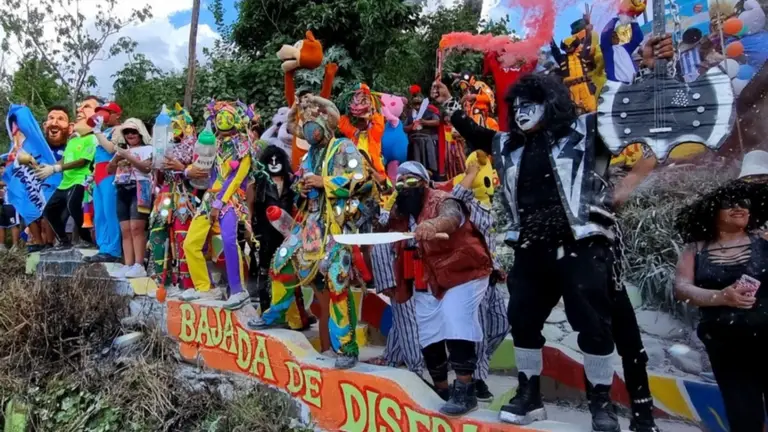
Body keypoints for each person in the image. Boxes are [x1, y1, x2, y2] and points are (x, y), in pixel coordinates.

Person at [430, 34, 674, 432]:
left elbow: (640, 113)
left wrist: (652, 67)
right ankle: (529, 395)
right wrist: (446, 104)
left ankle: (600, 404)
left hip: (582, 245)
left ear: (551, 103)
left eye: (530, 104)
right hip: (531, 247)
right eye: (517, 106)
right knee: (522, 319)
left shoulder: (589, 130)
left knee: (593, 325)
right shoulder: (508, 145)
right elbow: (473, 132)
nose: (521, 112)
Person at [248, 94, 374, 369]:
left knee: (337, 283)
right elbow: (297, 183)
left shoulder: (343, 147)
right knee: (281, 262)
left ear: (325, 125)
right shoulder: (309, 155)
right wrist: (301, 187)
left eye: (312, 125)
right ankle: (276, 315)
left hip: (336, 227)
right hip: (310, 224)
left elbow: (362, 180)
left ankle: (347, 348)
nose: (307, 131)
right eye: (304, 127)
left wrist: (324, 181)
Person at [384, 161, 493, 416]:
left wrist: (433, 226)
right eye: (400, 183)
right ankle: (442, 390)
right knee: (428, 333)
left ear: (425, 183)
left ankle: (466, 390)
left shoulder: (442, 200)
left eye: (412, 181)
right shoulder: (401, 211)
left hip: (462, 272)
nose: (405, 187)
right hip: (427, 278)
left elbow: (451, 217)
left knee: (456, 319)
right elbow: (387, 230)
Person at [674, 180, 768, 432]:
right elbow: (681, 288)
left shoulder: (764, 239)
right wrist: (720, 297)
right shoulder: (695, 249)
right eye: (729, 203)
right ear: (712, 212)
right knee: (743, 415)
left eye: (744, 203)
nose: (739, 208)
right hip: (726, 344)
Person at [182, 100, 256, 309]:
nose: (222, 123)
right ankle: (204, 287)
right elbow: (201, 167)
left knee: (229, 240)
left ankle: (238, 290)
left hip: (231, 198)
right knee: (190, 243)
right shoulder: (214, 143)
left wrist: (220, 202)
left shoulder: (244, 145)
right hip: (210, 197)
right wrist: (187, 171)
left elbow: (236, 178)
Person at [148, 104, 200, 296]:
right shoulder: (163, 146)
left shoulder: (197, 147)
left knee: (182, 236)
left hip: (185, 195)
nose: (174, 130)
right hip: (164, 195)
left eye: (177, 125)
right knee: (157, 234)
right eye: (171, 126)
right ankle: (163, 281)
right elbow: (157, 174)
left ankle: (187, 283)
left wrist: (182, 167)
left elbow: (202, 175)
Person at [36, 99, 99, 251]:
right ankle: (63, 241)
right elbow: (65, 159)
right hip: (65, 182)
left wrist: (56, 169)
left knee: (73, 206)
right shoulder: (73, 140)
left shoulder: (92, 138)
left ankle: (87, 240)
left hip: (80, 180)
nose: (78, 116)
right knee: (48, 211)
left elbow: (83, 161)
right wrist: (51, 167)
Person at [107, 119, 153, 278]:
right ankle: (128, 264)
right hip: (121, 188)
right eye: (126, 132)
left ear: (140, 133)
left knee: (136, 228)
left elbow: (146, 168)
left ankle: (139, 264)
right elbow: (109, 170)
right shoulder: (120, 151)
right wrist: (116, 158)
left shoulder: (148, 149)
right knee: (125, 229)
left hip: (140, 188)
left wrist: (128, 156)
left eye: (133, 131)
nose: (130, 135)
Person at [27, 106, 71, 252]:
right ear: (44, 125)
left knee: (50, 214)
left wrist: (53, 168)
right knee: (29, 212)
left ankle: (50, 243)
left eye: (60, 119)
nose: (54, 122)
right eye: (51, 118)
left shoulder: (71, 145)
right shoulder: (36, 146)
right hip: (38, 187)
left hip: (63, 188)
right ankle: (39, 242)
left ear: (70, 127)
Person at [85, 101, 123, 263]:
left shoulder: (119, 129)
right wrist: (92, 175)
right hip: (99, 175)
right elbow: (98, 156)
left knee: (110, 212)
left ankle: (113, 250)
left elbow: (111, 149)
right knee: (99, 214)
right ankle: (103, 247)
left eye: (107, 112)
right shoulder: (102, 131)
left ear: (117, 115)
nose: (103, 116)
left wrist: (97, 131)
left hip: (110, 174)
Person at [405, 87, 440, 176]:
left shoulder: (430, 110)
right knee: (415, 165)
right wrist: (412, 126)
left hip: (428, 140)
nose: (417, 106)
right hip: (414, 142)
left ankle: (432, 178)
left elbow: (437, 122)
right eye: (415, 104)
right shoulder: (409, 114)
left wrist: (425, 122)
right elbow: (404, 128)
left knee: (430, 163)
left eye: (419, 104)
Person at [0, 167, 21, 251]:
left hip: (12, 205)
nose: (1, 171)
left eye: (2, 168)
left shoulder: (14, 177)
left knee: (14, 225)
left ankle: (15, 245)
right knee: (1, 225)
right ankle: (1, 245)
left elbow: (6, 182)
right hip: (4, 204)